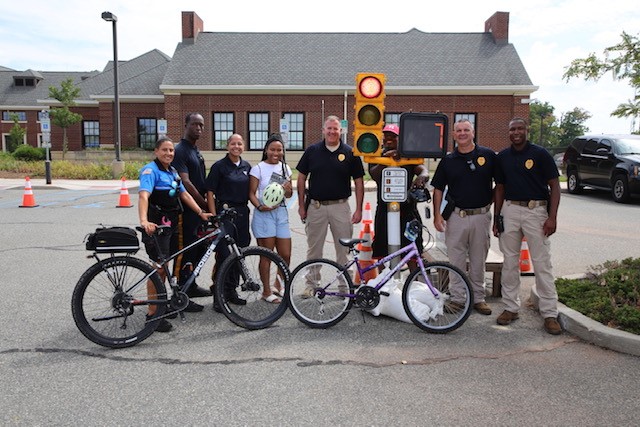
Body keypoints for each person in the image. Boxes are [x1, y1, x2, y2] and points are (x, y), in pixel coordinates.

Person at [493, 117, 562, 335]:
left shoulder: (540, 154)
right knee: (510, 262)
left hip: (537, 210)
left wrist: (552, 217)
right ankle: (510, 307)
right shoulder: (502, 157)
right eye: (512, 129)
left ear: (526, 130)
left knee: (542, 263)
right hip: (510, 210)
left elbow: (554, 186)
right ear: (509, 132)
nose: (516, 132)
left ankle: (550, 313)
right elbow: (500, 188)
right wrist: (497, 217)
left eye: (520, 128)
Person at [138, 137, 213, 332]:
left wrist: (200, 212)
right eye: (165, 150)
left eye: (171, 150)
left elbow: (184, 194)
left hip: (171, 226)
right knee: (159, 269)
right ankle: (152, 316)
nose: (169, 153)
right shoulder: (150, 171)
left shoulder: (171, 172)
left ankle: (160, 306)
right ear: (156, 151)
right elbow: (144, 195)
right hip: (156, 227)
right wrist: (144, 221)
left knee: (165, 267)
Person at [430, 119, 497, 315]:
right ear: (453, 135)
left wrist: (491, 203)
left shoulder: (488, 155)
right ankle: (458, 298)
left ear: (473, 132)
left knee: (478, 260)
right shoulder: (448, 160)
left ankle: (478, 298)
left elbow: (500, 184)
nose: (462, 133)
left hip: (481, 216)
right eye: (458, 131)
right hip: (456, 216)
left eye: (466, 130)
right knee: (456, 259)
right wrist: (437, 216)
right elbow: (438, 189)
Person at [296, 115, 365, 268]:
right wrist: (301, 206)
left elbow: (359, 182)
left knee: (344, 251)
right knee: (314, 250)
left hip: (340, 207)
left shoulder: (350, 153)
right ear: (323, 130)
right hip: (316, 207)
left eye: (335, 129)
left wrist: (359, 209)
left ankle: (344, 286)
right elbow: (301, 178)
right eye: (329, 128)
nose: (332, 132)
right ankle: (312, 286)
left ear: (341, 131)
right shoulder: (312, 151)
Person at [368, 124, 429, 272]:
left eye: (393, 137)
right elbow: (374, 175)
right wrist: (387, 160)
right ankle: (383, 285)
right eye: (386, 137)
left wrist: (421, 177)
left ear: (399, 139)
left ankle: (414, 284)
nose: (389, 140)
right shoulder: (377, 156)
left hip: (407, 211)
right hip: (384, 210)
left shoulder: (408, 156)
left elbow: (423, 170)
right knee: (382, 251)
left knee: (412, 250)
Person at [205, 133, 252, 310]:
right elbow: (210, 191)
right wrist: (213, 215)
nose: (236, 147)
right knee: (224, 255)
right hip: (224, 213)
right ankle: (219, 294)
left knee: (239, 254)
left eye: (239, 144)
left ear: (243, 146)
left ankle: (232, 291)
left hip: (241, 213)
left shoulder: (247, 166)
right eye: (233, 144)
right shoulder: (219, 166)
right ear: (227, 146)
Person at [172, 112, 212, 308]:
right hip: (186, 212)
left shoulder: (196, 150)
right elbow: (185, 182)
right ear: (185, 124)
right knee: (185, 251)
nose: (199, 128)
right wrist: (203, 205)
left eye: (202, 125)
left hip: (198, 212)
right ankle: (180, 294)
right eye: (195, 124)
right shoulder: (180, 150)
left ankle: (191, 284)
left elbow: (201, 182)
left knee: (199, 249)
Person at [248, 133, 293, 304]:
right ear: (266, 150)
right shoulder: (258, 168)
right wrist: (259, 206)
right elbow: (251, 193)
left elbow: (289, 194)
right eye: (272, 149)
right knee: (266, 255)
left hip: (281, 212)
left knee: (285, 254)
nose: (276, 152)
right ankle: (266, 292)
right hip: (264, 214)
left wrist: (288, 189)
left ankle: (277, 285)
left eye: (279, 149)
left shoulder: (285, 168)